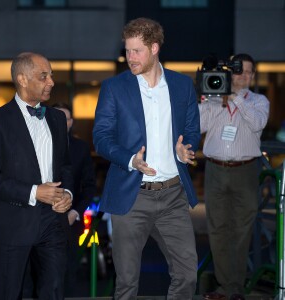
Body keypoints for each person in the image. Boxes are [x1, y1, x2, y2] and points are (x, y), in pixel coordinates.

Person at [93, 17, 200, 299]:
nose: (130, 58)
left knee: (188, 274)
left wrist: (186, 148)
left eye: (136, 51)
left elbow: (191, 129)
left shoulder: (181, 85)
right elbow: (101, 138)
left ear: (154, 48)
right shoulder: (114, 88)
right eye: (127, 51)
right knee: (127, 283)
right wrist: (130, 160)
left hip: (172, 196)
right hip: (131, 196)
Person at [0, 52, 74, 300]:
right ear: (22, 79)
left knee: (54, 291)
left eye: (51, 76)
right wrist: (35, 192)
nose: (51, 82)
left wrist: (67, 193)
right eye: (43, 76)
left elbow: (65, 166)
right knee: (9, 293)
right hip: (11, 223)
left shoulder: (56, 118)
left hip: (53, 223)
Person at [199, 53, 270, 300]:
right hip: (215, 169)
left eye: (250, 72)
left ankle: (235, 287)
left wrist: (236, 99)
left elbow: (257, 123)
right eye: (241, 71)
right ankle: (224, 286)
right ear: (231, 73)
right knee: (217, 228)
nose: (246, 76)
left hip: (246, 171)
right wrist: (215, 99)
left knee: (242, 230)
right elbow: (199, 125)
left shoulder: (259, 101)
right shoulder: (215, 96)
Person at [52, 102, 96, 295]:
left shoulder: (81, 148)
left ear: (71, 123)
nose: (62, 123)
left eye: (66, 119)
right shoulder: (36, 144)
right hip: (38, 220)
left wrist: (75, 212)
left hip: (70, 221)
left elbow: (89, 186)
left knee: (68, 273)